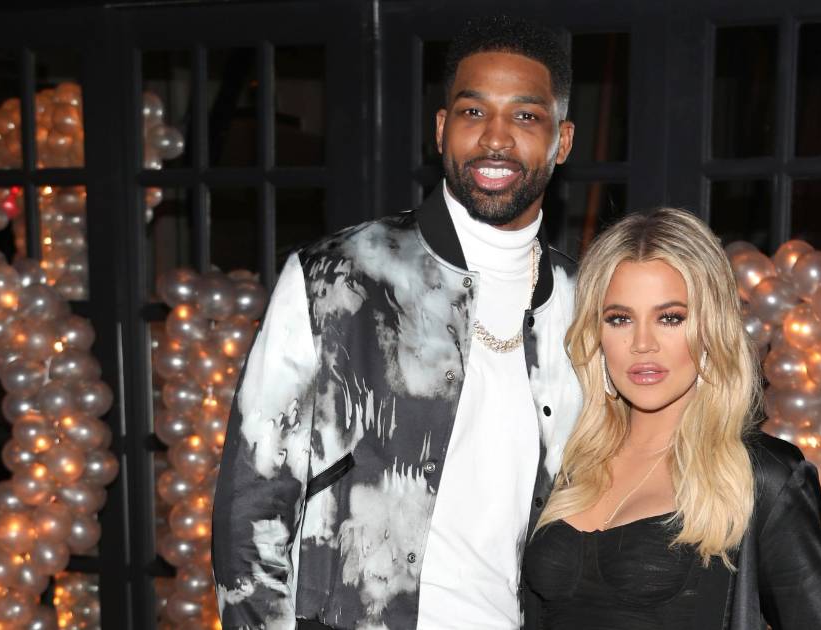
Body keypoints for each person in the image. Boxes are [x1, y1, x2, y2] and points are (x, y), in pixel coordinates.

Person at [212, 16, 582, 629]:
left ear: (561, 141)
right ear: (441, 129)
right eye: (473, 112)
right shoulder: (335, 277)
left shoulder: (583, 302)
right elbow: (252, 504)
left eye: (525, 116)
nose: (495, 138)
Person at [522, 208, 821, 629]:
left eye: (670, 318)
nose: (642, 343)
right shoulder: (568, 459)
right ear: (596, 334)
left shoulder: (764, 477)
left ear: (710, 328)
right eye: (620, 319)